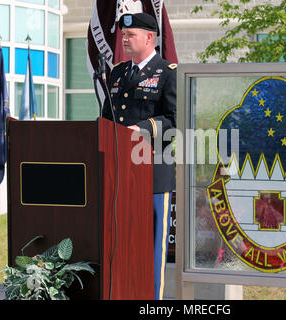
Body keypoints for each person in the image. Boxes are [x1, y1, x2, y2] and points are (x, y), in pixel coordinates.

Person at [102, 12, 176, 300]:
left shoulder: (168, 72)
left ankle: (152, 301)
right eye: (123, 35)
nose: (124, 39)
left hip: (153, 174)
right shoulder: (118, 72)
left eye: (130, 35)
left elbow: (176, 120)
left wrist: (143, 128)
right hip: (119, 173)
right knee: (120, 242)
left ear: (149, 37)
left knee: (152, 247)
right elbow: (107, 118)